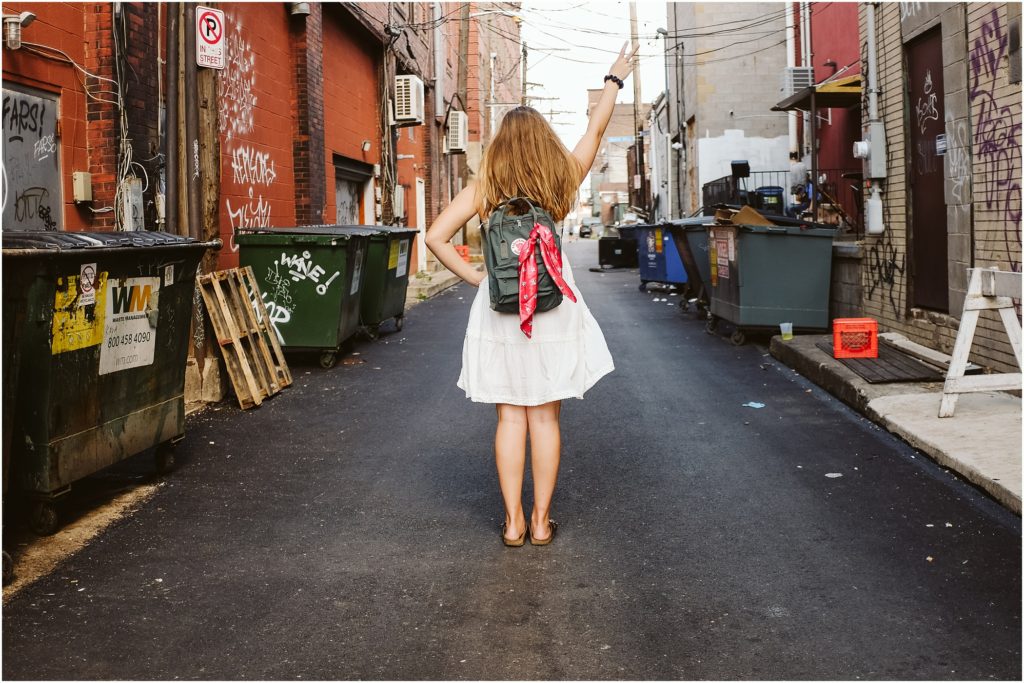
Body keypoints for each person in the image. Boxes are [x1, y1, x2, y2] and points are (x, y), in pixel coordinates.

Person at [425, 44, 637, 547]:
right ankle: (542, 521)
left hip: (500, 308)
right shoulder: (559, 178)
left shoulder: (486, 188)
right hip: (552, 305)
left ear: (501, 147)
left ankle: (514, 523)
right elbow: (595, 131)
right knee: (545, 414)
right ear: (543, 145)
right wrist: (613, 79)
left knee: (508, 416)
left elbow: (434, 237)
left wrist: (478, 278)